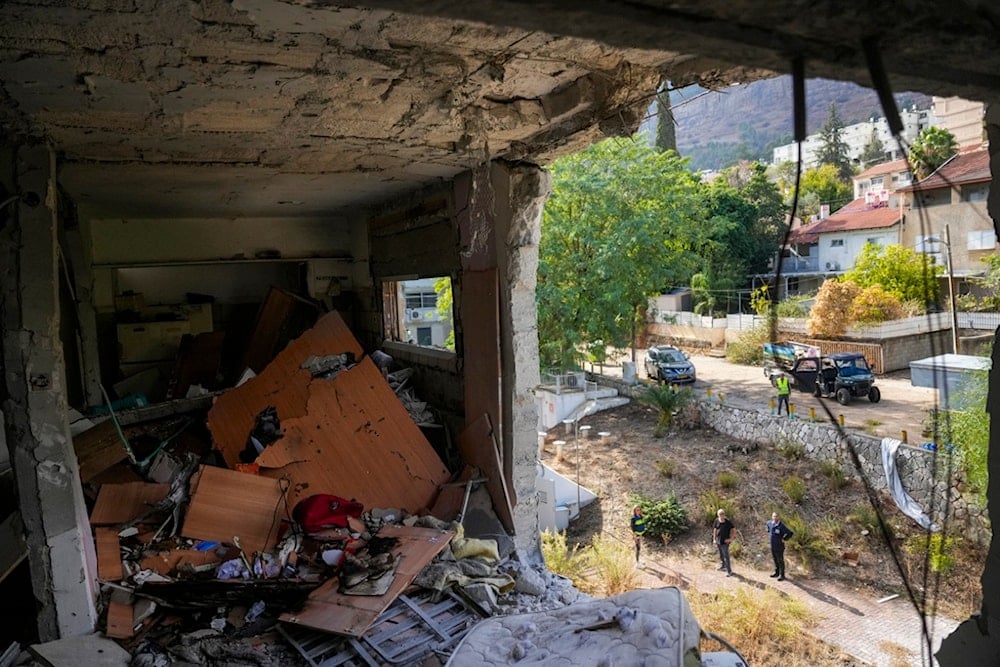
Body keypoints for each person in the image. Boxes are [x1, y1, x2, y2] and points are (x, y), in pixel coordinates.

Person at [767, 511, 794, 581]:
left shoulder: (781, 526)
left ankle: (782, 575)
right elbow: (768, 529)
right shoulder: (769, 523)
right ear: (772, 517)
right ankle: (776, 572)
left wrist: (784, 539)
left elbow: (790, 533)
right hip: (772, 546)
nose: (775, 518)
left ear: (779, 517)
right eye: (773, 516)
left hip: (779, 546)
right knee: (775, 560)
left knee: (780, 560)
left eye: (776, 516)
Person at [712, 508, 734, 576]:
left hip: (725, 542)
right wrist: (714, 539)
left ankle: (729, 571)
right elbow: (715, 530)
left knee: (726, 556)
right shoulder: (717, 521)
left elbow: (734, 530)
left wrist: (731, 539)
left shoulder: (727, 522)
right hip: (719, 541)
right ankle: (723, 566)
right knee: (721, 555)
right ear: (718, 515)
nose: (721, 516)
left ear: (724, 515)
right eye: (720, 515)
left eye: (722, 514)